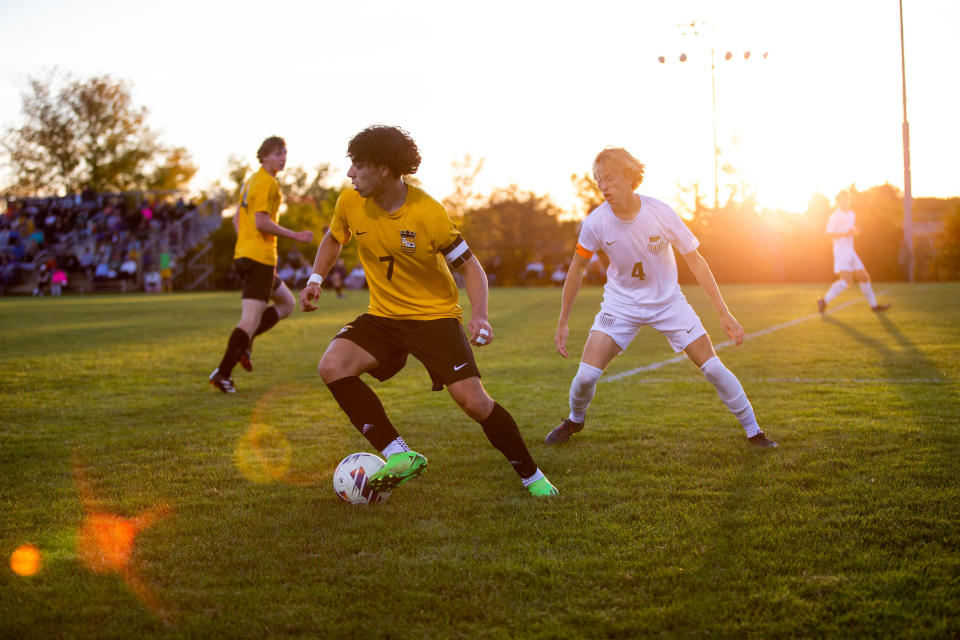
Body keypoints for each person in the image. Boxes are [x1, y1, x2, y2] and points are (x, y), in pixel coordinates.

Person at [299, 125, 557, 498]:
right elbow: (334, 237)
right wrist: (315, 279)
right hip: (384, 316)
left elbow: (471, 267)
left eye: (358, 165)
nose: (350, 173)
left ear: (385, 169)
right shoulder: (349, 202)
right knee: (332, 366)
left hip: (433, 319)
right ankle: (398, 454)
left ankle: (532, 477)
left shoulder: (428, 214)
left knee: (474, 402)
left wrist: (480, 315)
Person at [547, 147, 777, 448]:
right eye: (599, 180)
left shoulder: (661, 213)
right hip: (621, 305)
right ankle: (575, 420)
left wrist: (723, 312)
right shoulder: (595, 223)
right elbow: (577, 269)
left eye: (610, 179)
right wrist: (563, 322)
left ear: (629, 177)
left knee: (713, 368)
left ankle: (754, 431)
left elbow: (696, 260)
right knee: (586, 377)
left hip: (669, 304)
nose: (603, 187)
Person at [209, 136, 314, 393]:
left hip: (249, 256)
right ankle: (222, 373)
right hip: (259, 260)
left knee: (286, 303)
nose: (283, 157)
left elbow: (237, 220)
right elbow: (261, 222)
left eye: (285, 152)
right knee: (249, 321)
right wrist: (296, 235)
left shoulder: (251, 181)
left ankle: (244, 345)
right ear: (264, 156)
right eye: (278, 153)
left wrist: (247, 245)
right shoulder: (267, 183)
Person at [817, 190, 890, 314]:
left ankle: (874, 306)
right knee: (847, 281)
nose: (844, 202)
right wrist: (846, 234)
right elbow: (829, 234)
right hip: (841, 251)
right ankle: (824, 300)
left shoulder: (851, 214)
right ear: (838, 201)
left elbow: (850, 230)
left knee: (865, 277)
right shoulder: (834, 216)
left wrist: (856, 231)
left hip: (851, 250)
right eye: (842, 200)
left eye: (846, 199)